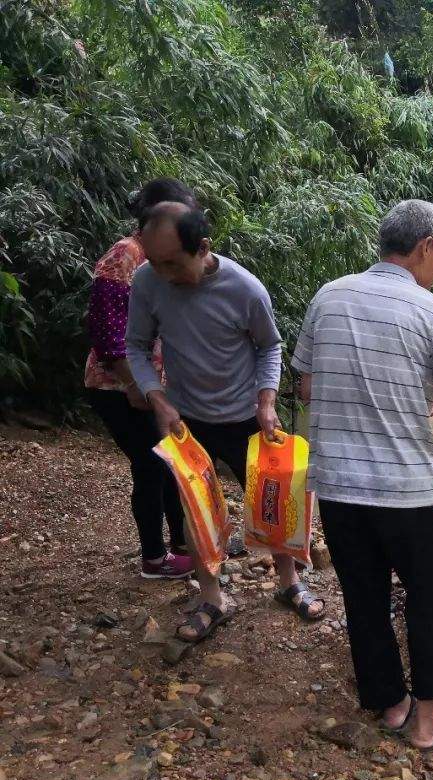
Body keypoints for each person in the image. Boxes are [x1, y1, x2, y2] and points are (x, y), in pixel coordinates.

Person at [291, 199, 433, 752]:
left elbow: (304, 388)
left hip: (339, 487)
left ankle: (391, 706)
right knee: (427, 601)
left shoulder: (329, 296)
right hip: (406, 492)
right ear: (424, 249)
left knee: (363, 597)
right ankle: (427, 724)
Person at [126, 201, 326, 642]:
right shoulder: (147, 280)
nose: (164, 274)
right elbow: (136, 347)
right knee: (193, 508)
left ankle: (288, 582)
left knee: (272, 499)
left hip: (244, 416)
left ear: (203, 248)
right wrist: (157, 399)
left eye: (174, 264)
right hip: (184, 420)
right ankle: (212, 597)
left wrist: (267, 399)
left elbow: (269, 347)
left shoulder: (245, 289)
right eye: (155, 262)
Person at [84, 179, 198, 579]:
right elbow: (106, 331)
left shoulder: (159, 262)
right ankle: (154, 557)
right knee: (151, 466)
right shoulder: (125, 255)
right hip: (118, 387)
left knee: (170, 463)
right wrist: (134, 385)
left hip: (151, 386)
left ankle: (183, 542)